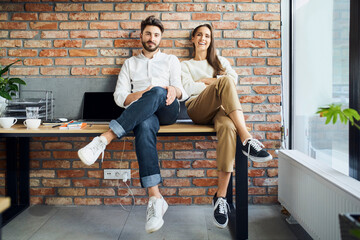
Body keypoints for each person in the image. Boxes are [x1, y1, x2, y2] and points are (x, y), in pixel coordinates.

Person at [77, 16, 188, 233]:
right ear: (141, 36)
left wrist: (174, 90)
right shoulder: (130, 63)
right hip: (142, 114)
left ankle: (105, 138)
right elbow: (120, 98)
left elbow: (182, 91)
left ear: (160, 38)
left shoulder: (171, 60)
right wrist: (142, 94)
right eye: (148, 33)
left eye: (156, 35)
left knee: (158, 90)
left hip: (167, 110)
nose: (151, 38)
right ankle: (155, 199)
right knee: (144, 125)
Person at [181, 24, 273, 229]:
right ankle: (247, 138)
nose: (203, 39)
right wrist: (215, 82)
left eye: (207, 36)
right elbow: (187, 89)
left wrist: (208, 81)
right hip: (197, 108)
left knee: (228, 127)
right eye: (199, 35)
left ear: (211, 39)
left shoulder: (221, 61)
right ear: (193, 39)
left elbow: (234, 81)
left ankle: (220, 198)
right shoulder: (185, 65)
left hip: (222, 112)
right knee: (224, 84)